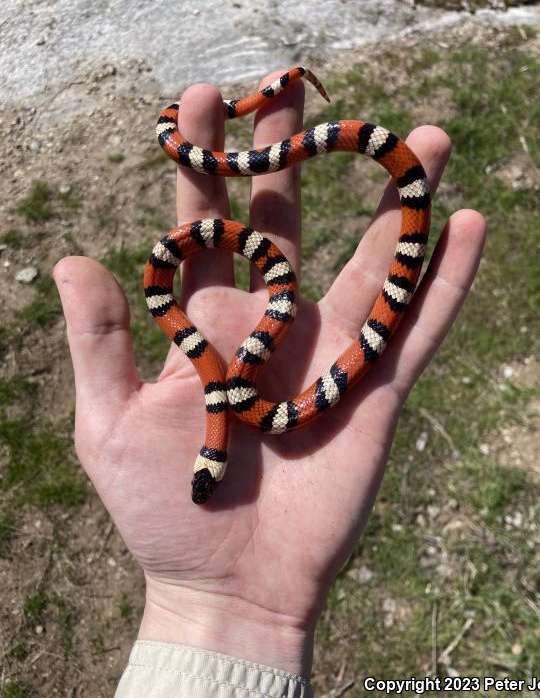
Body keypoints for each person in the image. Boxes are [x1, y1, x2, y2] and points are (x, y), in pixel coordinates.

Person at [53, 70, 486, 697]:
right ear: (218, 454)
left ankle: (224, 135)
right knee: (354, 293)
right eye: (213, 471)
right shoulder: (224, 386)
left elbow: (220, 377)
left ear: (214, 450)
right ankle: (226, 139)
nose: (211, 475)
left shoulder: (227, 388)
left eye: (208, 468)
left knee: (405, 184)